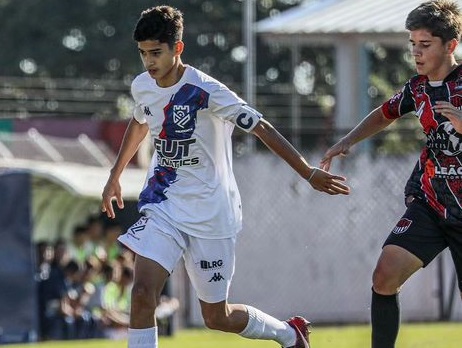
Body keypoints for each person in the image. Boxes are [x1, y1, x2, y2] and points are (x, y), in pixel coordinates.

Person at [101, 5, 350, 348]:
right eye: (143, 54)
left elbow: (260, 127)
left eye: (156, 53)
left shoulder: (208, 91)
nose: (149, 62)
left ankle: (287, 333)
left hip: (211, 214)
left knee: (217, 317)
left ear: (178, 48)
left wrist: (307, 172)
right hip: (164, 205)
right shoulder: (143, 86)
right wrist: (115, 174)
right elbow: (141, 120)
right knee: (142, 293)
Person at [320, 1, 462, 347]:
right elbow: (385, 113)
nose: (416, 52)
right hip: (431, 203)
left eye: (424, 44)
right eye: (412, 43)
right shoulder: (418, 88)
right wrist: (348, 140)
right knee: (384, 276)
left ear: (451, 45)